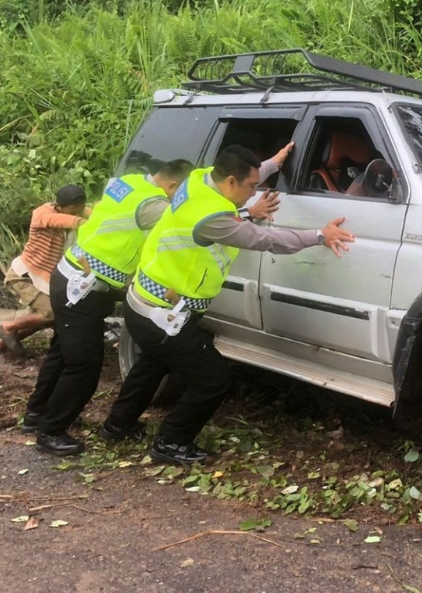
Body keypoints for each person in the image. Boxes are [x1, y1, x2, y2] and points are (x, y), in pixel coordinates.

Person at [28, 144, 296, 455]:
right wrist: (249, 212)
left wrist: (272, 163)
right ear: (171, 185)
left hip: (75, 275)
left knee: (64, 352)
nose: (184, 198)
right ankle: (50, 431)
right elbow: (191, 221)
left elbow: (218, 185)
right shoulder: (151, 206)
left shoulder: (131, 182)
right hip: (83, 287)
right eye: (179, 193)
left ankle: (39, 416)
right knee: (83, 365)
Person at [102, 145, 355, 466]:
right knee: (213, 379)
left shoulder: (199, 179)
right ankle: (170, 442)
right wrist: (320, 234)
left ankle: (116, 427)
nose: (255, 193)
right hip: (162, 315)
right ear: (231, 181)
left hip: (144, 304)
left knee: (152, 365)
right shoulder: (210, 217)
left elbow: (246, 176)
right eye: (251, 188)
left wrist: (273, 163)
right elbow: (266, 240)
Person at [0, 185, 90, 355]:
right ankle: (8, 327)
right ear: (60, 207)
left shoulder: (74, 217)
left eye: (78, 211)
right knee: (51, 313)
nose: (76, 215)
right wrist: (84, 222)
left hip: (45, 280)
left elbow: (91, 214)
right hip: (24, 276)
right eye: (72, 212)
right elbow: (59, 220)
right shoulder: (42, 214)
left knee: (42, 319)